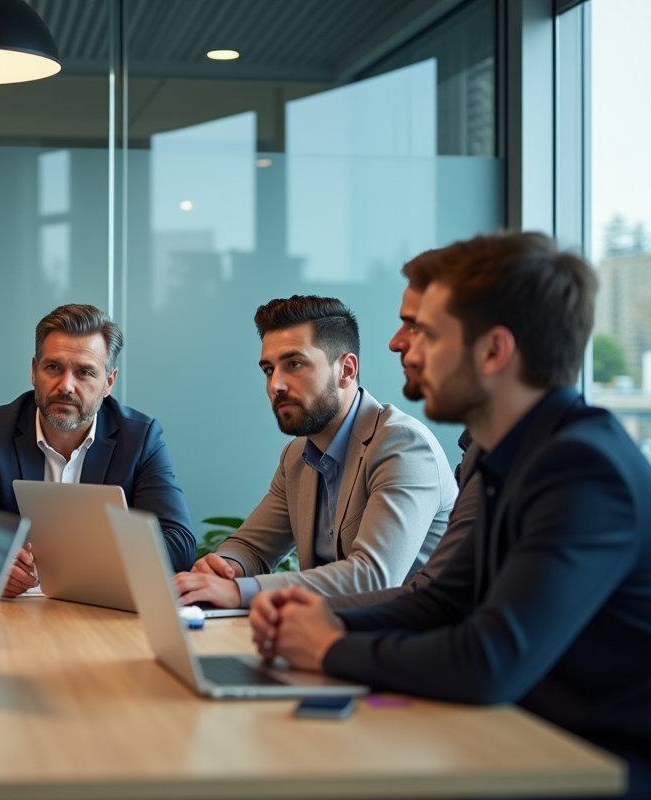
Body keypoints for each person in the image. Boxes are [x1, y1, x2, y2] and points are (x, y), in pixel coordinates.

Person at [250, 233, 651, 797]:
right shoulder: (497, 453)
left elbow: (490, 659)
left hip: (589, 765)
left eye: (426, 332)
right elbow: (442, 601)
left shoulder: (581, 468)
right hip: (514, 738)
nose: (398, 346)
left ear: (493, 352)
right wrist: (314, 619)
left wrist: (327, 647)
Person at [177, 296, 455, 609]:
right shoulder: (297, 456)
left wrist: (240, 592)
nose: (275, 385)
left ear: (346, 370)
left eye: (294, 364)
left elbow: (373, 577)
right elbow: (252, 547)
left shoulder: (403, 446)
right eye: (269, 370)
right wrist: (224, 568)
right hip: (329, 638)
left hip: (408, 645)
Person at [0, 304, 195, 598]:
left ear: (108, 383)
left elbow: (179, 543)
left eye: (85, 372)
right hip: (19, 611)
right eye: (53, 368)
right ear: (35, 371)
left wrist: (91, 562)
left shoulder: (140, 438)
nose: (66, 386)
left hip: (103, 613)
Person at [329, 283, 481, 609]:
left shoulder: (573, 465)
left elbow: (493, 643)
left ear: (492, 347)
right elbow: (435, 594)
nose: (395, 343)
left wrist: (317, 631)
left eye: (417, 325)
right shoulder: (480, 456)